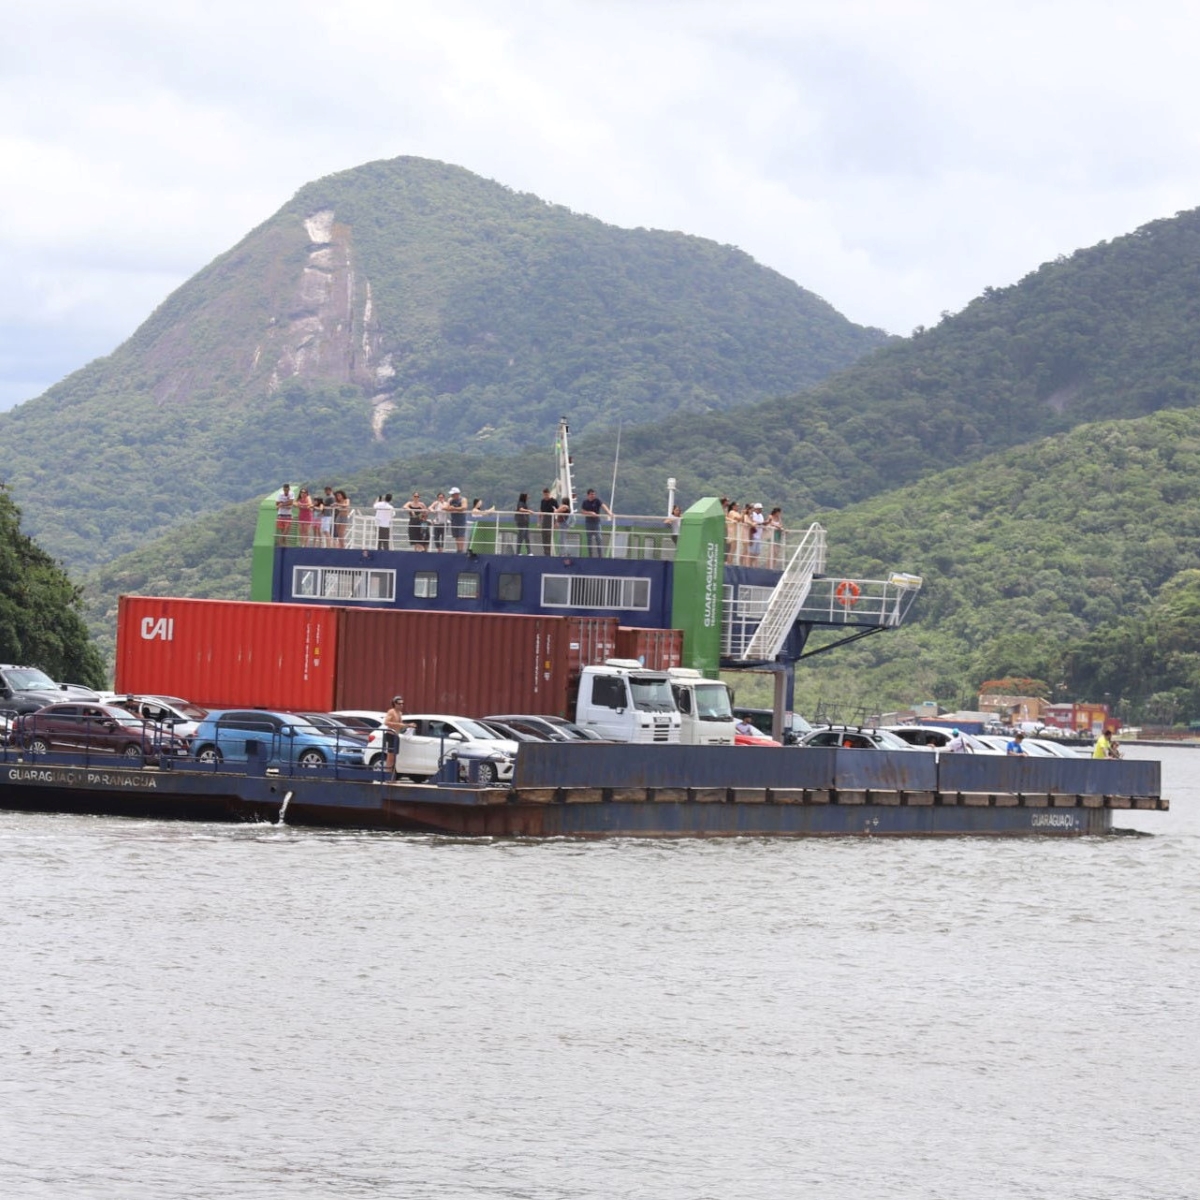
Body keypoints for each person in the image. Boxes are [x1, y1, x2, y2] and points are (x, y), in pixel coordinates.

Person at [382, 694, 412, 779]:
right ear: (394, 703)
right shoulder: (391, 711)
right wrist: (399, 724)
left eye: (402, 703)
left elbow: (400, 726)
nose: (401, 705)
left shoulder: (400, 713)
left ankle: (392, 776)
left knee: (394, 757)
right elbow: (386, 722)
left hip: (396, 735)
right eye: (399, 703)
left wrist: (409, 726)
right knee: (390, 757)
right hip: (391, 735)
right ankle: (388, 776)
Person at [580, 488, 612, 557]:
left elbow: (603, 506)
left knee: (599, 538)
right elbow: (582, 511)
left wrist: (609, 513)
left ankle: (600, 555)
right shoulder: (585, 502)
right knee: (589, 539)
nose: (593, 495)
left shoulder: (597, 501)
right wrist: (590, 513)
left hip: (596, 522)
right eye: (591, 494)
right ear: (588, 495)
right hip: (588, 522)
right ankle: (590, 555)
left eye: (594, 494)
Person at [447, 487, 469, 552]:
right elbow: (446, 507)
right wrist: (450, 508)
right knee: (456, 535)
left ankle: (461, 550)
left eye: (453, 494)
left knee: (461, 535)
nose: (452, 495)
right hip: (454, 519)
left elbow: (464, 507)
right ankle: (458, 549)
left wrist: (454, 508)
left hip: (461, 519)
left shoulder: (463, 499)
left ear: (457, 494)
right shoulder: (450, 500)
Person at [539, 488, 557, 555]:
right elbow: (541, 510)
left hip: (551, 519)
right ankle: (545, 552)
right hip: (545, 519)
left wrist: (556, 522)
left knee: (549, 536)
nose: (546, 496)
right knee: (544, 537)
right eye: (544, 495)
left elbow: (557, 511)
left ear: (549, 494)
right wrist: (539, 521)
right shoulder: (542, 501)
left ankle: (549, 553)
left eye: (547, 494)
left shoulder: (553, 501)